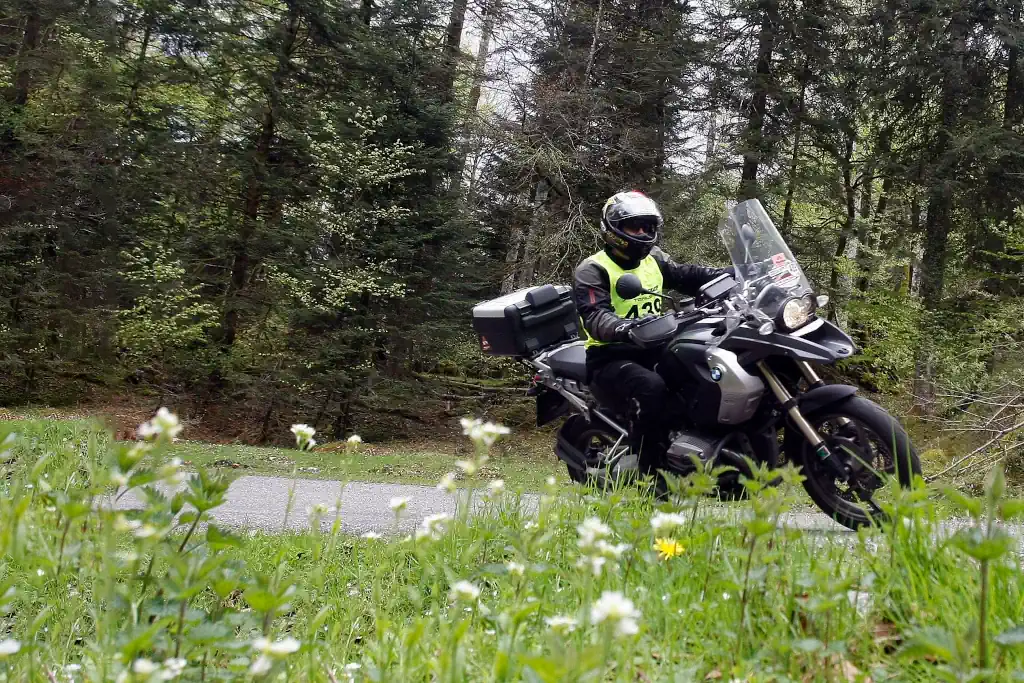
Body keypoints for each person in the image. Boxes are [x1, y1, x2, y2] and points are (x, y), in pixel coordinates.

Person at [573, 190, 731, 489]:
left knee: (701, 370)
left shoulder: (654, 259)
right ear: (614, 228)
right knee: (652, 388)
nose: (643, 233)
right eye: (635, 226)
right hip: (610, 356)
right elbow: (595, 316)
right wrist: (622, 328)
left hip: (653, 346)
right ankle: (652, 478)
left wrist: (732, 274)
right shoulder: (592, 269)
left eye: (648, 226)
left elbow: (688, 275)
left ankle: (696, 451)